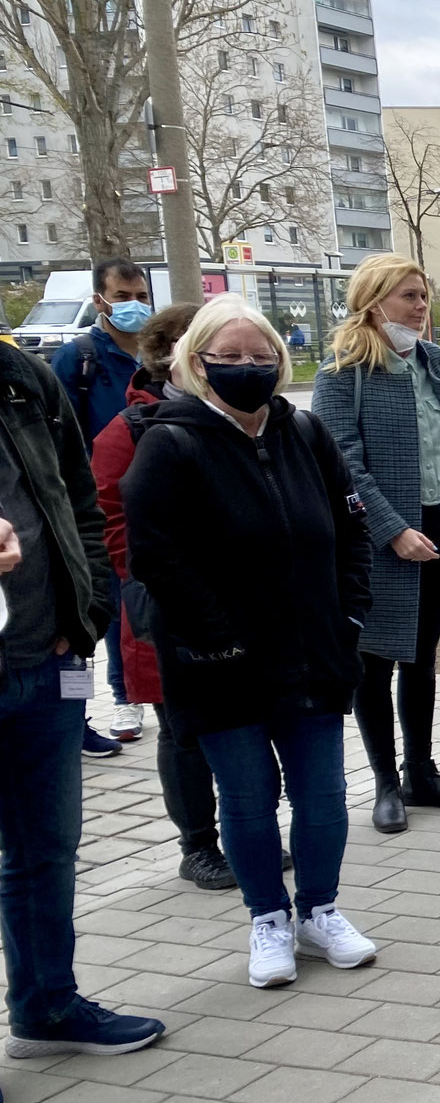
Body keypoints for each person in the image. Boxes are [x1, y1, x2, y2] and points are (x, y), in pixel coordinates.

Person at [124, 296, 376, 987]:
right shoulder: (170, 444)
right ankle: (267, 917)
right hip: (220, 665)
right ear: (196, 363)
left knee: (323, 796)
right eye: (228, 358)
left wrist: (349, 615)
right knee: (247, 800)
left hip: (314, 653)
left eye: (260, 357)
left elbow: (351, 530)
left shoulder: (305, 432)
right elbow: (156, 556)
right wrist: (219, 637)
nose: (246, 368)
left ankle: (319, 910)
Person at [0, 336, 165, 1103]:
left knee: (46, 848)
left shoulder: (20, 376)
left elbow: (76, 496)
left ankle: (48, 1004)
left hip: (47, 658)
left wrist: (89, 604)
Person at [312, 255, 440, 835]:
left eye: (423, 296)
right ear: (374, 304)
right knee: (375, 662)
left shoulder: (434, 362)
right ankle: (385, 786)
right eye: (408, 297)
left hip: (438, 521)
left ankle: (422, 772)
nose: (421, 308)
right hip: (378, 535)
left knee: (421, 656)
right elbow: (341, 464)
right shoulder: (341, 373)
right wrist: (391, 530)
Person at [91, 302, 238, 890]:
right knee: (182, 731)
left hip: (238, 606)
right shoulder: (129, 430)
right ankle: (198, 845)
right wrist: (166, 586)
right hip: (168, 608)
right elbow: (112, 524)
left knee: (236, 725)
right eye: (207, 348)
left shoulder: (238, 418)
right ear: (170, 356)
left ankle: (244, 828)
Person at [52, 258, 155, 754]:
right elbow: (59, 438)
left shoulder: (156, 355)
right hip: (94, 507)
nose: (134, 305)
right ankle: (104, 706)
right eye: (123, 296)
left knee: (134, 602)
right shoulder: (80, 359)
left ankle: (130, 691)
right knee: (97, 613)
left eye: (140, 295)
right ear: (100, 300)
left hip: (150, 500)